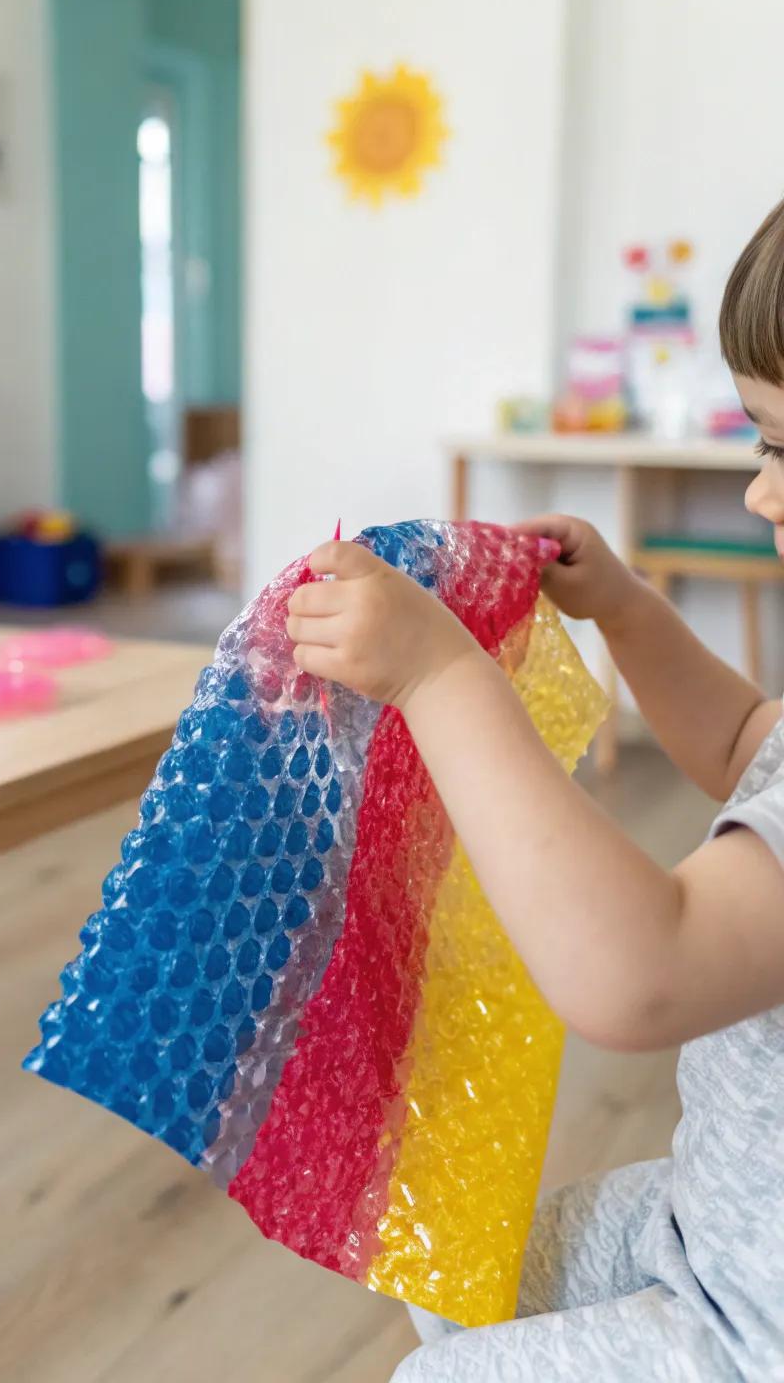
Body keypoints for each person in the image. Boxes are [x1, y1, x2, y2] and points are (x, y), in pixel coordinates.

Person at [287, 200, 784, 1382]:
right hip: (719, 1222)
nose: (762, 495)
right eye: (765, 444)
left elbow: (637, 970)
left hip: (752, 1324)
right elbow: (753, 743)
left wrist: (437, 672)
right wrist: (623, 608)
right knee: (461, 1279)